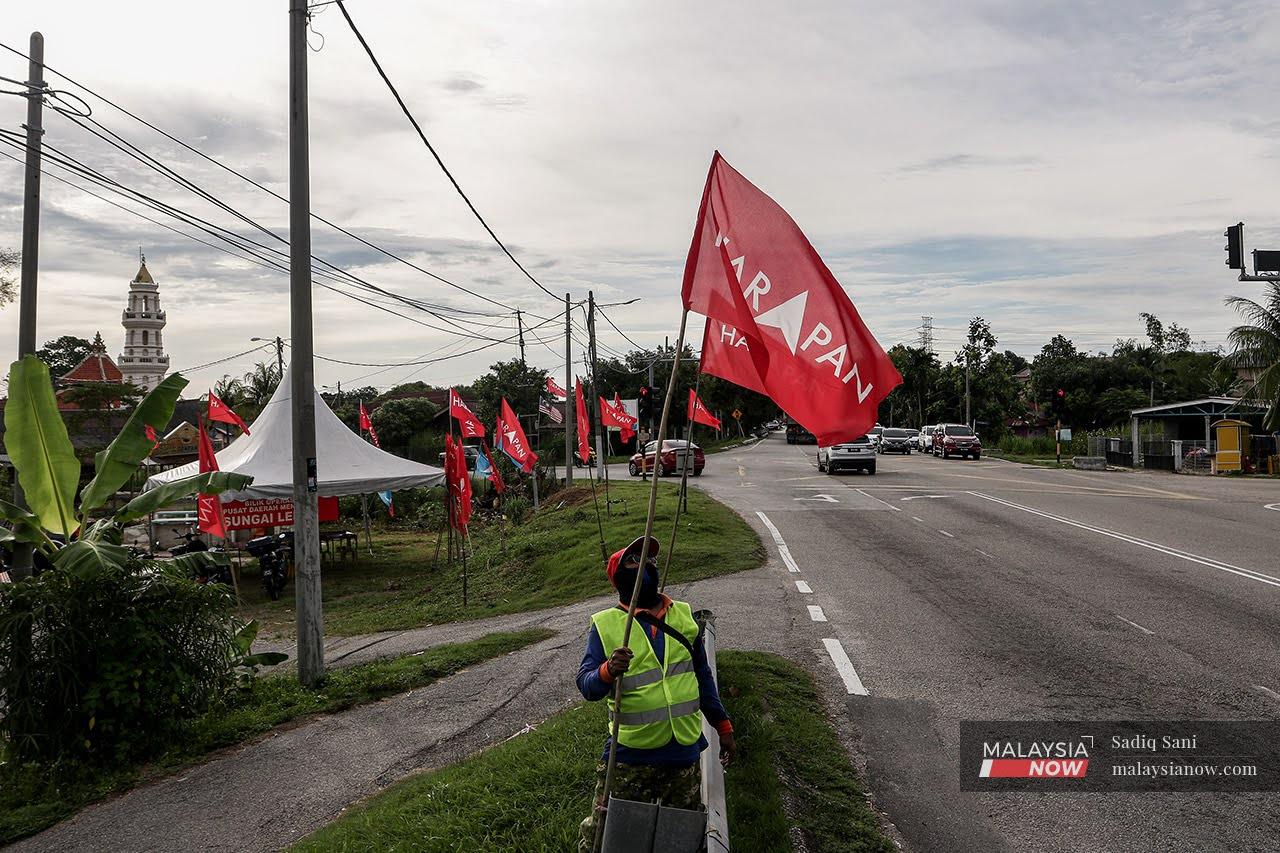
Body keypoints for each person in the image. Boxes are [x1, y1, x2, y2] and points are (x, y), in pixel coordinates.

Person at [576, 535, 736, 851]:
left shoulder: (684, 617)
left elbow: (703, 679)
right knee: (609, 837)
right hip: (629, 758)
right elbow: (587, 686)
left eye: (650, 560)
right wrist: (608, 670)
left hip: (682, 754)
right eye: (635, 561)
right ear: (618, 577)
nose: (647, 565)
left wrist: (723, 727)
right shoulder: (607, 625)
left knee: (680, 838)